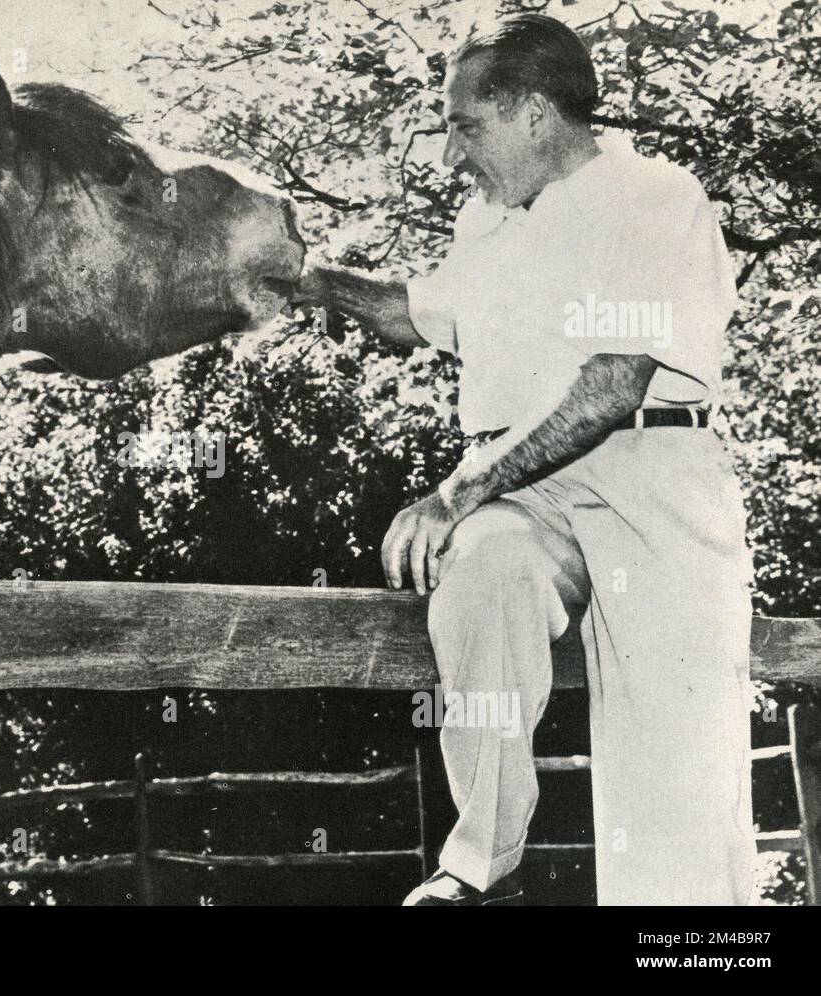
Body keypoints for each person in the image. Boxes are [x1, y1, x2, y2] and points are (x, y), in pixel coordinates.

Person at [296, 12, 756, 905]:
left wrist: (456, 490)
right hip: (530, 498)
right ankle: (483, 868)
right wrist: (312, 281)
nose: (449, 154)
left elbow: (612, 385)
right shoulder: (490, 224)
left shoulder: (653, 197)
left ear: (535, 115)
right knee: (482, 576)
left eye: (465, 125)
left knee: (677, 787)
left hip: (651, 485)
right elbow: (418, 313)